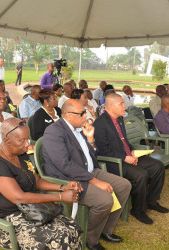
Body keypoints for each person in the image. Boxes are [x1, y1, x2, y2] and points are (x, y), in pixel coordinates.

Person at [43, 99, 131, 250]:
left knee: (124, 186)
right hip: (69, 179)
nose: (86, 116)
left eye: (85, 112)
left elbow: (89, 156)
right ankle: (90, 238)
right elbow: (64, 165)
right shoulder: (54, 131)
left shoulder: (78, 129)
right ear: (69, 115)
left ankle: (105, 230)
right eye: (82, 113)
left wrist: (90, 139)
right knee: (104, 200)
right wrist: (94, 181)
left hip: (88, 171)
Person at [0, 118, 82, 249]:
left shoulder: (20, 154)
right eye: (22, 140)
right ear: (7, 140)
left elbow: (37, 181)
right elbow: (19, 198)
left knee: (72, 228)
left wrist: (62, 187)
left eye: (27, 139)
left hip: (31, 210)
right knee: (57, 236)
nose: (27, 144)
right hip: (3, 220)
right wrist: (61, 197)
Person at [94, 93, 168, 225]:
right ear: (111, 106)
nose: (124, 106)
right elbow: (103, 151)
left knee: (158, 166)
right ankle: (138, 210)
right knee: (141, 175)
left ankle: (151, 201)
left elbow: (123, 141)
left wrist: (132, 150)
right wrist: (124, 158)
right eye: (121, 104)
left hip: (129, 156)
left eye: (124, 103)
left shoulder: (120, 119)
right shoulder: (100, 123)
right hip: (114, 162)